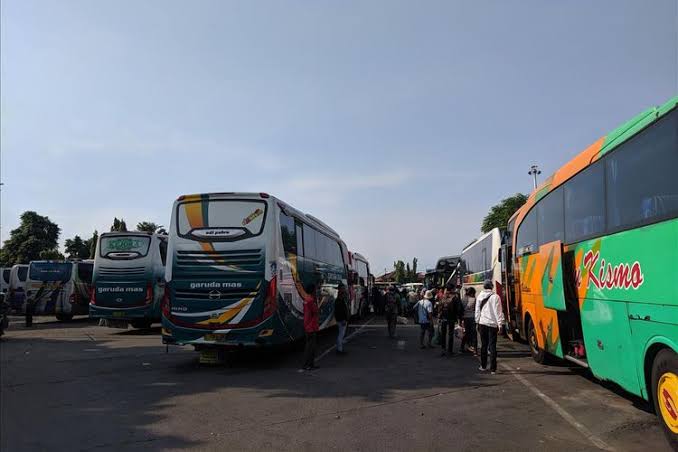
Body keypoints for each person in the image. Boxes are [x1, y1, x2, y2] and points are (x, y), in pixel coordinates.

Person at [475, 280, 505, 374]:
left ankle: (483, 366)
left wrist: (477, 321)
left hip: (482, 323)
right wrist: (500, 324)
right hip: (492, 325)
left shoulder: (479, 296)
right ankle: (493, 369)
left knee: (484, 345)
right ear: (492, 287)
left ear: (484, 287)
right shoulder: (496, 297)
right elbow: (498, 312)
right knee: (492, 346)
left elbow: (477, 311)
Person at [439, 286, 463, 356]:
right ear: (452, 289)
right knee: (450, 334)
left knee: (443, 334)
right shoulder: (455, 298)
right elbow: (459, 309)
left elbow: (439, 308)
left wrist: (439, 317)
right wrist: (459, 319)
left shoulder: (443, 297)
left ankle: (443, 350)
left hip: (443, 318)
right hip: (451, 318)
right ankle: (450, 350)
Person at [302, 282, 320, 371]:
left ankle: (310, 364)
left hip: (307, 325)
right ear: (312, 291)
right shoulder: (311, 300)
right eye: (315, 290)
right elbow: (316, 311)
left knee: (310, 347)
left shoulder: (307, 299)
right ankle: (307, 364)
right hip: (311, 327)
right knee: (310, 348)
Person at [461, 287, 478, 354]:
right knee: (474, 334)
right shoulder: (473, 299)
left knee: (466, 333)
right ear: (472, 293)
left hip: (465, 318)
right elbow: (476, 309)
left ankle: (462, 347)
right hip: (472, 318)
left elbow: (461, 309)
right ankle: (475, 349)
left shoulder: (463, 299)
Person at [334, 283, 349, 355]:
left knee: (341, 334)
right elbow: (340, 311)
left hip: (341, 319)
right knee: (341, 335)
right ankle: (339, 350)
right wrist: (343, 319)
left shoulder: (340, 299)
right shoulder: (339, 300)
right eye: (343, 288)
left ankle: (339, 348)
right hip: (341, 320)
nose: (344, 289)